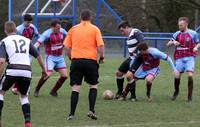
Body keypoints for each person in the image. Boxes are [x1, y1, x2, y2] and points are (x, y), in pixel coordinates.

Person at [0, 21, 47, 127]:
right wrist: (44, 70)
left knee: (1, 92)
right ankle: (27, 121)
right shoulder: (26, 40)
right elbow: (38, 55)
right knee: (24, 96)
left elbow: (2, 61)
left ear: (5, 31)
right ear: (16, 30)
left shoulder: (4, 41)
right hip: (26, 71)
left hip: (12, 69)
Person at [63, 10, 104, 120]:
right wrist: (102, 57)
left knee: (75, 88)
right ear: (90, 18)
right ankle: (91, 110)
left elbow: (66, 47)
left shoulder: (73, 29)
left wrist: (71, 57)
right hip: (90, 61)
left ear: (80, 17)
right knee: (93, 86)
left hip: (76, 61)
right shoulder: (95, 29)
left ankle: (71, 114)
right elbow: (100, 46)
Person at [167, 17, 200, 102]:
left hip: (190, 57)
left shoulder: (193, 33)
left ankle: (189, 97)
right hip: (179, 58)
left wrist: (196, 47)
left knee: (190, 75)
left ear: (186, 24)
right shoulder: (176, 34)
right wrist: (173, 42)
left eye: (181, 25)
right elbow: (168, 44)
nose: (179, 27)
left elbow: (198, 43)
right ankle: (176, 92)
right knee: (177, 75)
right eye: (179, 25)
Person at [33, 19, 68, 97]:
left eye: (60, 28)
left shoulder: (62, 31)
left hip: (60, 57)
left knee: (64, 76)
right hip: (50, 57)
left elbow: (69, 36)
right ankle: (37, 89)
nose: (59, 29)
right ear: (52, 27)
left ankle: (53, 91)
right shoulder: (46, 34)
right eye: (57, 28)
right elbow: (38, 43)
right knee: (47, 74)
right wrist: (32, 49)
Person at [115, 21, 144, 101]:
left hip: (138, 59)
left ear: (127, 27)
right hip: (131, 58)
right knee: (118, 73)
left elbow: (143, 43)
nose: (122, 33)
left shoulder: (136, 32)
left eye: (122, 30)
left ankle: (133, 96)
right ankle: (120, 92)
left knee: (129, 76)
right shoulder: (129, 35)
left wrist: (137, 51)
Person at [12, 14, 39, 94]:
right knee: (21, 69)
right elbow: (14, 41)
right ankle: (17, 87)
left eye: (30, 22)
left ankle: (23, 87)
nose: (29, 24)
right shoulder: (18, 29)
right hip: (20, 52)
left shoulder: (33, 27)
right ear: (24, 21)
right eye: (28, 22)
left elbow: (37, 35)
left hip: (29, 52)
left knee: (27, 69)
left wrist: (38, 43)